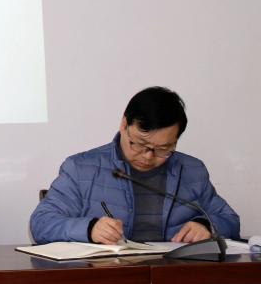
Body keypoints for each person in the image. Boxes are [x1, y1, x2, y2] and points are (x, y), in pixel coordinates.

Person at [30, 86, 239, 245]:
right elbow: (41, 223)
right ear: (124, 125)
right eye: (139, 144)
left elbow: (230, 220)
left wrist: (206, 225)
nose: (148, 156)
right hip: (106, 276)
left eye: (163, 149)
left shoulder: (192, 171)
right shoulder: (81, 169)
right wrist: (90, 229)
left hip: (173, 275)